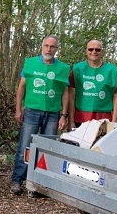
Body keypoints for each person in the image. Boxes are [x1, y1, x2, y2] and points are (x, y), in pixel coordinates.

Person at [10, 35, 71, 195]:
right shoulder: (30, 63)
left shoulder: (63, 68)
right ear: (42, 46)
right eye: (46, 46)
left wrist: (63, 115)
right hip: (31, 111)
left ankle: (42, 184)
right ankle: (17, 180)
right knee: (25, 146)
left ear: (57, 49)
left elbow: (65, 93)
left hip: (53, 113)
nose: (48, 49)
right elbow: (21, 88)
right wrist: (18, 109)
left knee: (48, 148)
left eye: (52, 47)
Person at [68, 39, 117, 128]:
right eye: (91, 49)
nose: (94, 52)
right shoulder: (77, 69)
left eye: (97, 49)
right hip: (81, 117)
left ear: (102, 52)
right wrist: (70, 121)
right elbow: (71, 96)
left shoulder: (111, 70)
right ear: (86, 51)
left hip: (104, 118)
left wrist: (114, 122)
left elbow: (116, 97)